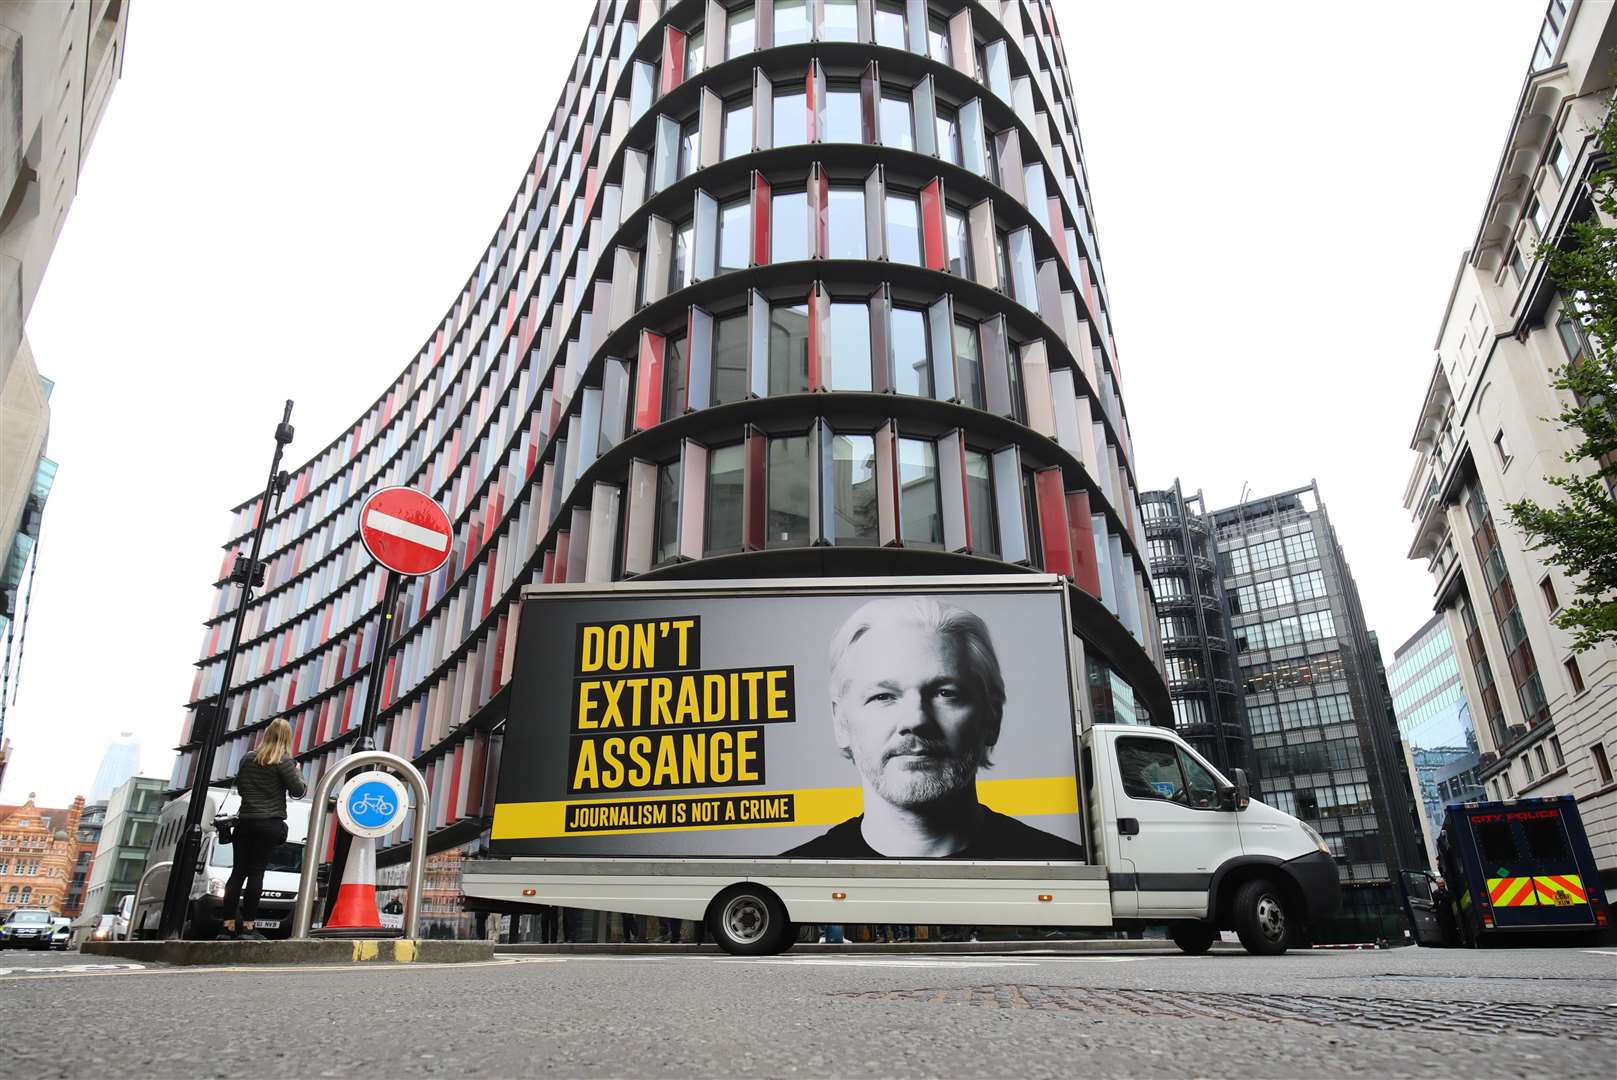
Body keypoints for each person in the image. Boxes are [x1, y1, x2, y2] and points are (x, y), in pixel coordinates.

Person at [783, 597, 1084, 859]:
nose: (916, 720)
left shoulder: (1056, 860)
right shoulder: (795, 873)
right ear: (841, 723)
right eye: (883, 696)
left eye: (945, 693)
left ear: (992, 718)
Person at [219, 717, 306, 939]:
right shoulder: (284, 761)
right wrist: (299, 772)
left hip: (245, 821)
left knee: (237, 872)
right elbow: (298, 791)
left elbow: (240, 788)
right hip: (269, 823)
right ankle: (248, 926)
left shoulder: (248, 759)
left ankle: (227, 925)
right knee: (256, 872)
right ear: (287, 737)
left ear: (266, 735)